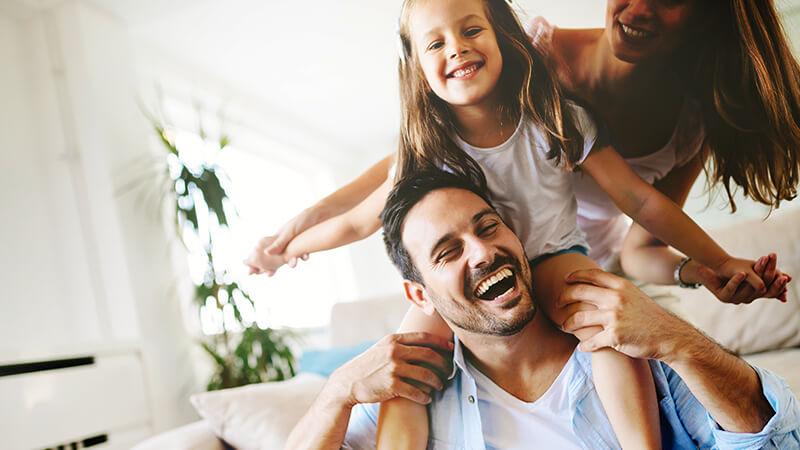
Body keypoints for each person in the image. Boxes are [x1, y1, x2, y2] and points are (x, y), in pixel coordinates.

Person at [246, 0, 792, 448]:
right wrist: (292, 245)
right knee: (409, 368)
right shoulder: (429, 147)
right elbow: (356, 223)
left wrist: (718, 262)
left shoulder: (553, 115)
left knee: (605, 323)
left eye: (470, 30)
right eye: (435, 44)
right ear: (417, 67)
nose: (456, 48)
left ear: (503, 37)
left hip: (554, 255)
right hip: (472, 285)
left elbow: (642, 203)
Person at [285, 170, 800, 450]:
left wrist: (677, 341)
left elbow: (772, 441)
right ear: (419, 295)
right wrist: (335, 394)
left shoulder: (633, 351)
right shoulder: (412, 396)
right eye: (448, 251)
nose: (483, 252)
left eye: (488, 227)